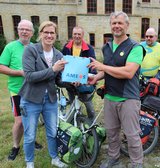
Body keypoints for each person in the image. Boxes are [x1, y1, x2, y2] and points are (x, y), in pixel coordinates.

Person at [88, 11, 145, 168]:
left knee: (132, 135)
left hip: (128, 98)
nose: (117, 26)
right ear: (110, 26)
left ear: (127, 25)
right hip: (110, 97)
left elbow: (128, 72)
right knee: (112, 133)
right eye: (114, 23)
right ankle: (114, 157)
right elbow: (108, 69)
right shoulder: (106, 47)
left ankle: (137, 163)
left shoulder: (136, 47)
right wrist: (96, 77)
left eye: (120, 23)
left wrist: (102, 67)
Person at [18, 21, 68, 168]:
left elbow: (58, 80)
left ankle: (54, 158)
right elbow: (29, 76)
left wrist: (71, 81)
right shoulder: (31, 50)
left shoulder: (58, 54)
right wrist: (53, 69)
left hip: (50, 100)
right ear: (40, 34)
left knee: (52, 132)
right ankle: (30, 162)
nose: (49, 35)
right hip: (31, 99)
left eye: (52, 33)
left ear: (55, 35)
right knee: (30, 135)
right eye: (46, 32)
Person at [0, 19, 43, 161]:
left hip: (34, 90)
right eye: (21, 29)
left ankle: (31, 140)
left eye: (27, 29)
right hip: (17, 91)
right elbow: (1, 67)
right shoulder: (10, 47)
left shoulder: (36, 47)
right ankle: (15, 146)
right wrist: (19, 72)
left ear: (32, 32)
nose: (24, 32)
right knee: (19, 121)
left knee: (32, 118)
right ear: (18, 31)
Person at [61, 26, 96, 120]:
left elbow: (93, 66)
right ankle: (76, 120)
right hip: (70, 81)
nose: (77, 36)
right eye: (75, 34)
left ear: (82, 35)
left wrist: (85, 79)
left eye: (79, 34)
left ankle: (92, 121)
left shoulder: (89, 49)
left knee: (88, 103)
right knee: (73, 102)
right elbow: (62, 62)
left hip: (83, 81)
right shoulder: (66, 47)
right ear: (72, 35)